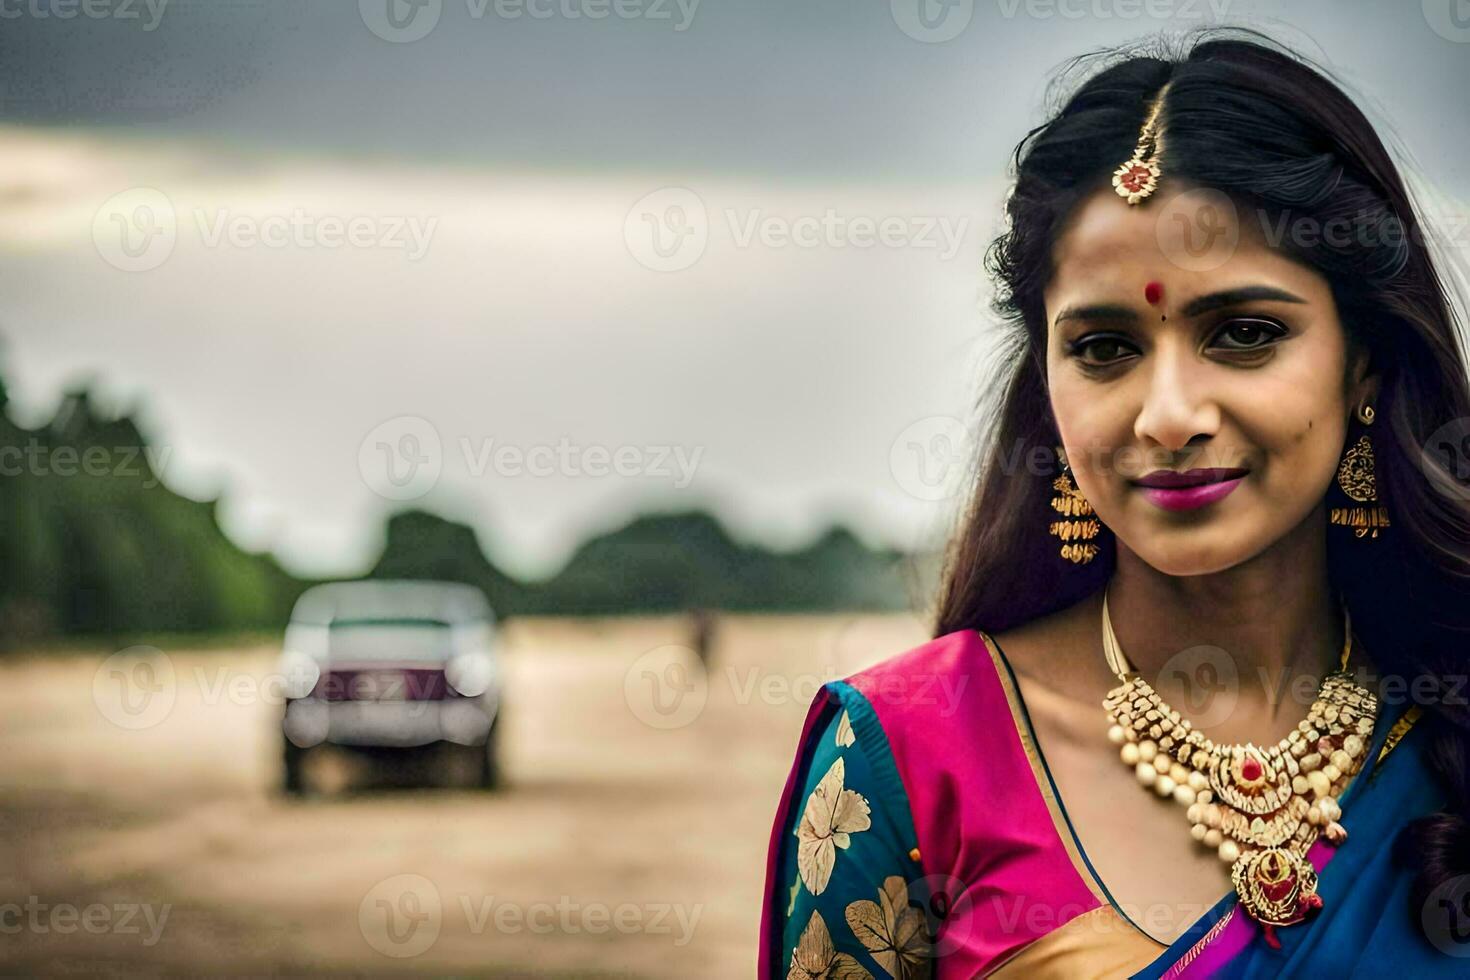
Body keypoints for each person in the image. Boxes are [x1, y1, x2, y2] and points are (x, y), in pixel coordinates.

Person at [760, 29, 1470, 978]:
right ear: (1048, 386)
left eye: (1246, 333)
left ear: (1364, 365)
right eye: (1104, 348)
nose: (1169, 415)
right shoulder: (906, 756)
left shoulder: (1448, 728)